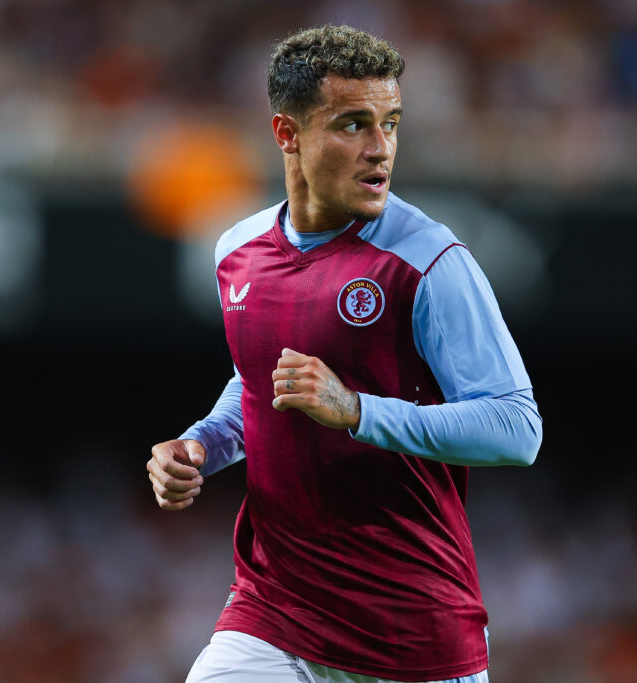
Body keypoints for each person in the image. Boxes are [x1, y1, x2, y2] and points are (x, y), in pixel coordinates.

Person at [147, 25, 542, 683]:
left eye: (390, 123)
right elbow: (259, 383)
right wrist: (199, 446)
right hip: (273, 615)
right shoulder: (237, 252)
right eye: (353, 125)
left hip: (409, 633)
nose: (380, 148)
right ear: (287, 134)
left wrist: (358, 410)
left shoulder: (429, 261)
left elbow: (518, 427)